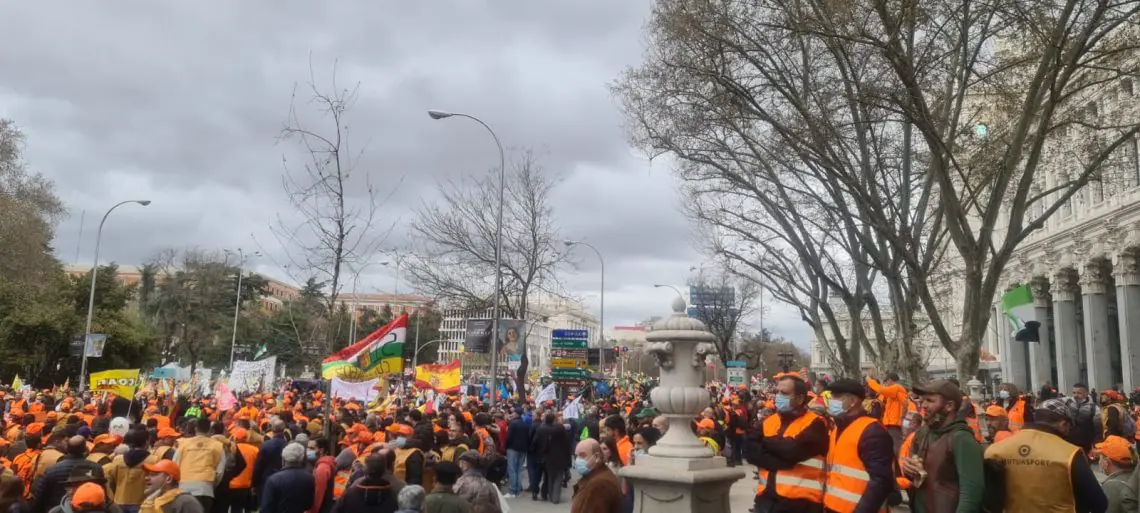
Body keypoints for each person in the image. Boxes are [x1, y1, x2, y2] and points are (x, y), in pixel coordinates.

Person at [985, 398, 1107, 513]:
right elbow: (1098, 502)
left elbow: (988, 499)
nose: (1069, 431)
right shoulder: (1070, 454)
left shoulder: (995, 450)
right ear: (1063, 424)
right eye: (1069, 427)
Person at [747, 373, 828, 513]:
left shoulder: (816, 423)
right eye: (777, 392)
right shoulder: (768, 421)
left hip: (801, 503)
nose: (778, 396)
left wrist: (763, 442)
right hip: (766, 500)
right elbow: (749, 450)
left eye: (784, 393)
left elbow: (792, 450)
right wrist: (779, 461)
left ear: (800, 398)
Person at [903, 380, 984, 513]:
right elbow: (917, 477)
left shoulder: (961, 439)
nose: (923, 405)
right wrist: (909, 470)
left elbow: (971, 494)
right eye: (923, 400)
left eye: (930, 401)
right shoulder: (922, 434)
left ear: (949, 406)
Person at [821, 378, 895, 513]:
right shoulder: (838, 428)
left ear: (853, 401)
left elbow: (881, 481)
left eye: (837, 396)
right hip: (833, 507)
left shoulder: (872, 431)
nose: (831, 400)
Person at [33, 436, 100, 513]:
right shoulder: (95, 468)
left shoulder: (52, 470)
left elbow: (40, 497)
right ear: (85, 450)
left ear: (67, 449)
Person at [172, 418, 225, 511]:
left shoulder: (184, 444)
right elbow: (220, 471)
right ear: (210, 430)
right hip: (205, 488)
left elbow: (174, 464)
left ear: (195, 428)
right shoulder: (218, 446)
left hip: (184, 487)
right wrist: (212, 484)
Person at [103, 427, 154, 513]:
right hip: (141, 502)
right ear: (146, 443)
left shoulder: (118, 459)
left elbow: (110, 480)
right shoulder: (153, 460)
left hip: (119, 501)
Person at [570, 439, 621, 513]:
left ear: (597, 457)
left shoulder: (600, 485)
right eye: (576, 456)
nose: (577, 460)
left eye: (582, 456)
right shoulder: (597, 478)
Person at [259, 444, 313, 513]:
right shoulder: (309, 478)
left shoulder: (273, 480)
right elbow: (309, 504)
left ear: (283, 459)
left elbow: (266, 508)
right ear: (302, 458)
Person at [865, 372, 909, 452]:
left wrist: (870, 380)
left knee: (896, 448)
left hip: (895, 424)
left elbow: (881, 390)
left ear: (889, 380)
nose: (886, 385)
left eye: (886, 382)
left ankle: (899, 460)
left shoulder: (897, 387)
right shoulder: (894, 392)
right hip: (890, 424)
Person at [536, 412, 572, 504]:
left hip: (550, 460)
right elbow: (568, 452)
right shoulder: (565, 440)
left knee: (550, 478)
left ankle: (551, 495)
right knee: (558, 479)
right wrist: (568, 463)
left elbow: (545, 449)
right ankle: (556, 498)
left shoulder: (550, 440)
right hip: (561, 461)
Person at [1096, 435, 1137, 513]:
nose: (1099, 461)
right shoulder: (1135, 479)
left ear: (1107, 461)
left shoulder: (1111, 487)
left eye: (1100, 457)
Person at [252, 420, 288, 499]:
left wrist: (254, 483)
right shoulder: (288, 445)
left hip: (266, 480)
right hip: (283, 481)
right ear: (284, 430)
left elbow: (259, 466)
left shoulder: (266, 445)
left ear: (272, 430)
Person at [503, 408, 529, 498]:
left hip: (513, 448)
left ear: (517, 414)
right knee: (519, 469)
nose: (512, 414)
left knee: (512, 469)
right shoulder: (525, 424)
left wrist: (506, 446)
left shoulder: (513, 423)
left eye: (514, 412)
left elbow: (509, 437)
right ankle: (518, 490)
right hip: (523, 449)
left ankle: (512, 491)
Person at [306, 438, 336, 513]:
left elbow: (318, 495)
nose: (308, 451)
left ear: (321, 450)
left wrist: (311, 511)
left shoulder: (322, 468)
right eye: (307, 447)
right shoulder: (324, 464)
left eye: (312, 448)